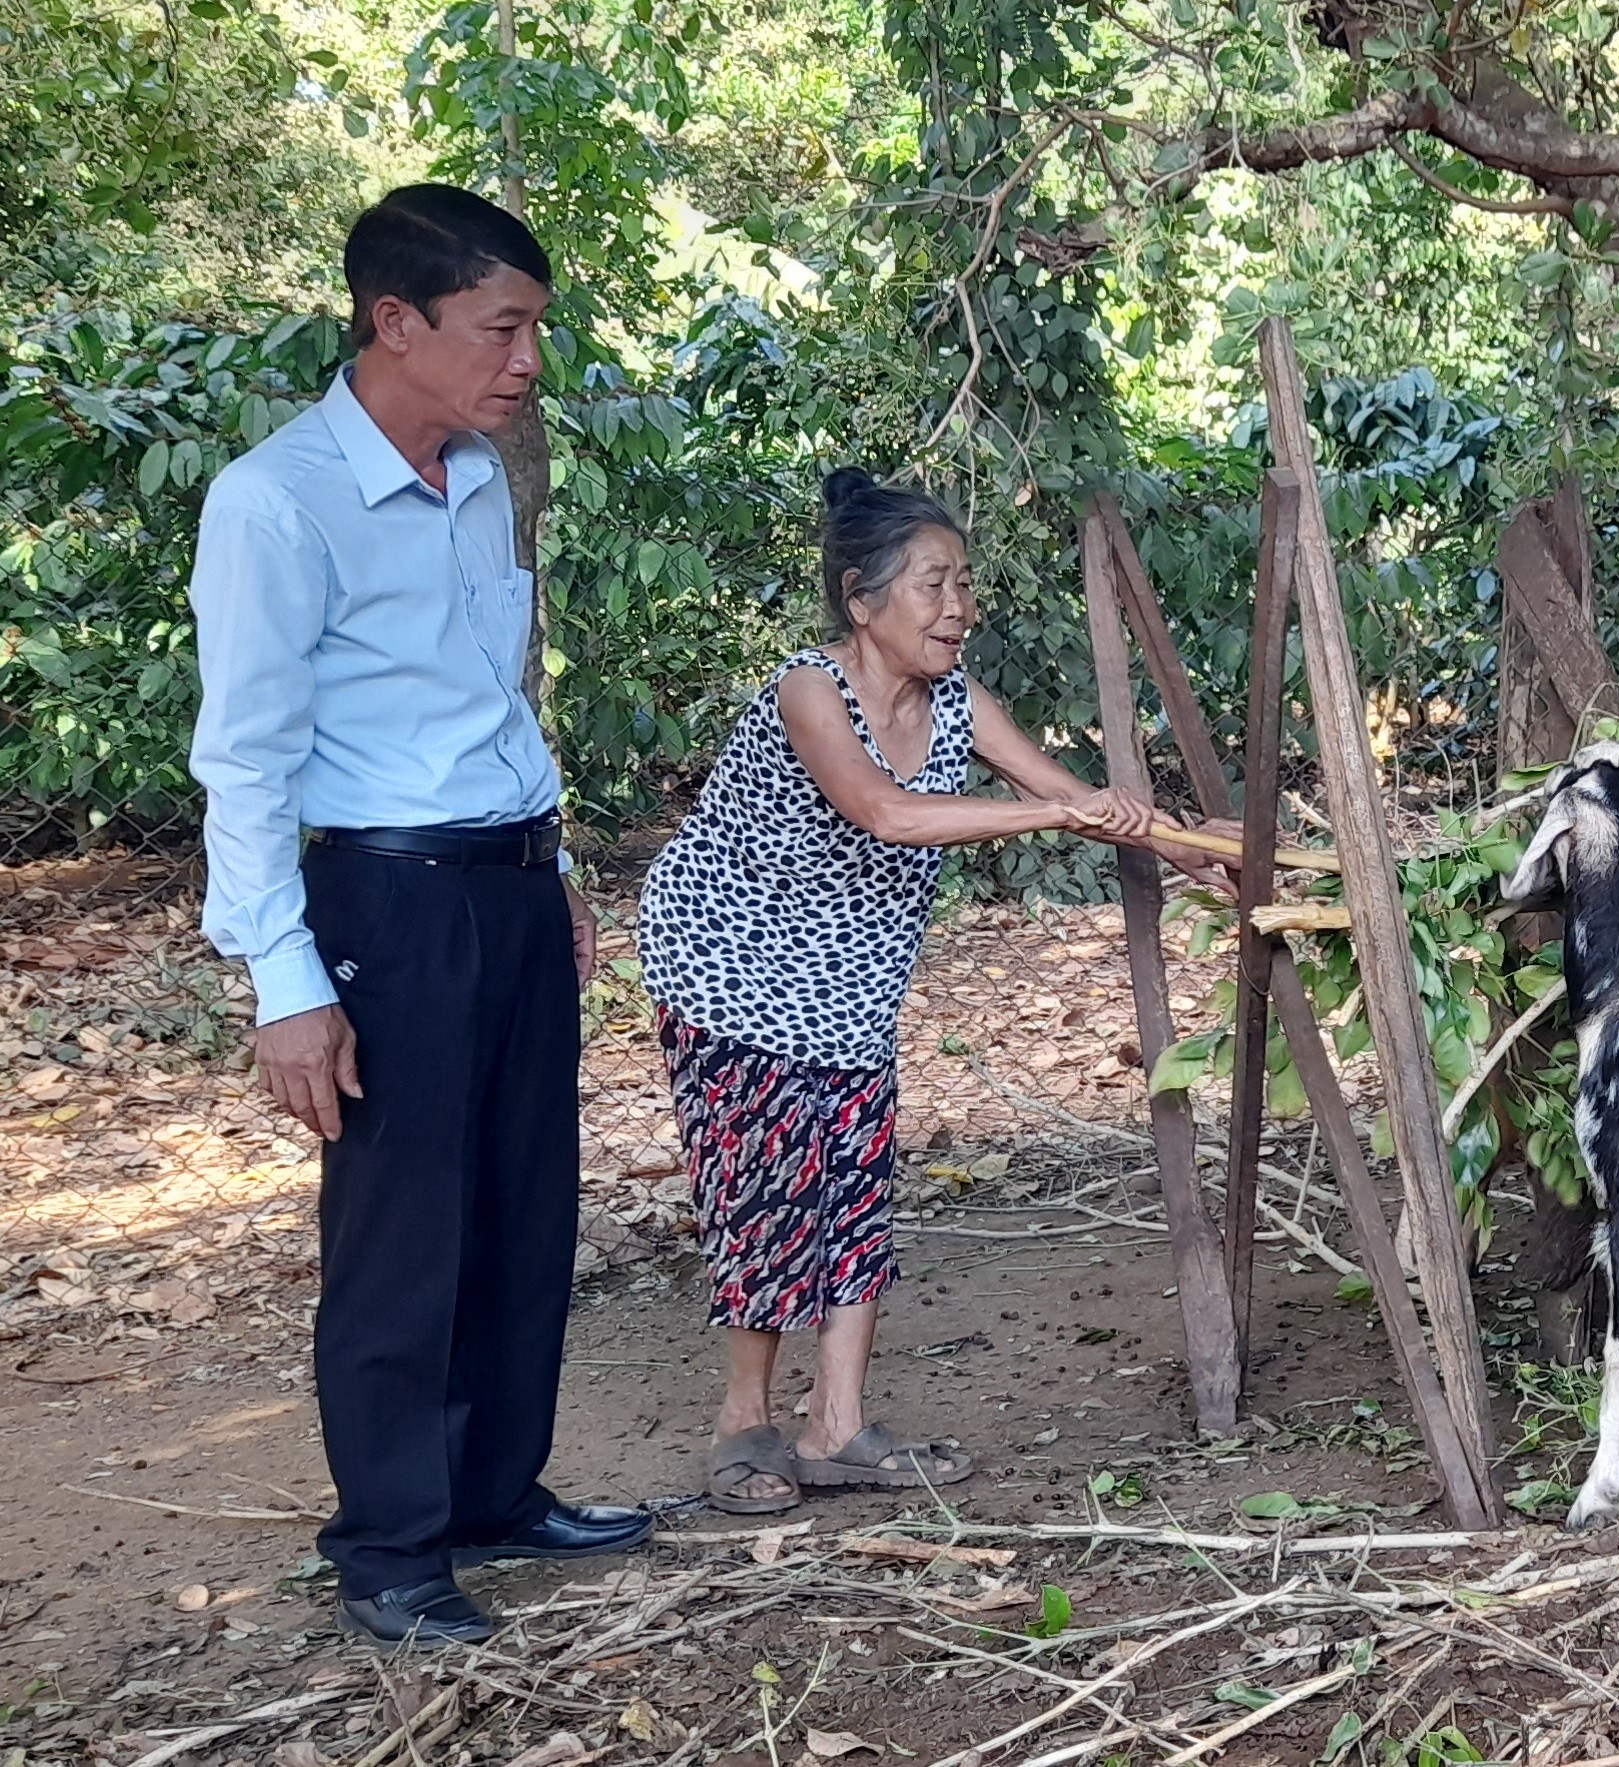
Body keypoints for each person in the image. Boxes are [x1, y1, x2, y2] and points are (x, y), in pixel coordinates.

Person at [188, 185, 653, 1649]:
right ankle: (388, 1541)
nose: (526, 361)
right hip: (384, 902)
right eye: (500, 327)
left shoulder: (478, 481)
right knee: (401, 1232)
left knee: (523, 1203)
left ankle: (494, 1489)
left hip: (509, 891)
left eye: (534, 331)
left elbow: (491, 699)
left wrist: (554, 868)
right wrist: (285, 979)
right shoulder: (277, 501)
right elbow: (245, 755)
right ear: (395, 320)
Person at [639, 470, 1224, 1514]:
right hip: (731, 968)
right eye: (933, 585)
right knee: (768, 1191)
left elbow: (1074, 796)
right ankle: (745, 1423)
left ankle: (838, 1424)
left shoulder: (960, 700)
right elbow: (887, 813)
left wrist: (1195, 854)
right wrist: (1060, 817)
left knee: (854, 1188)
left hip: (850, 978)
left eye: (964, 585)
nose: (959, 607)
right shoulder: (807, 689)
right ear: (863, 601)